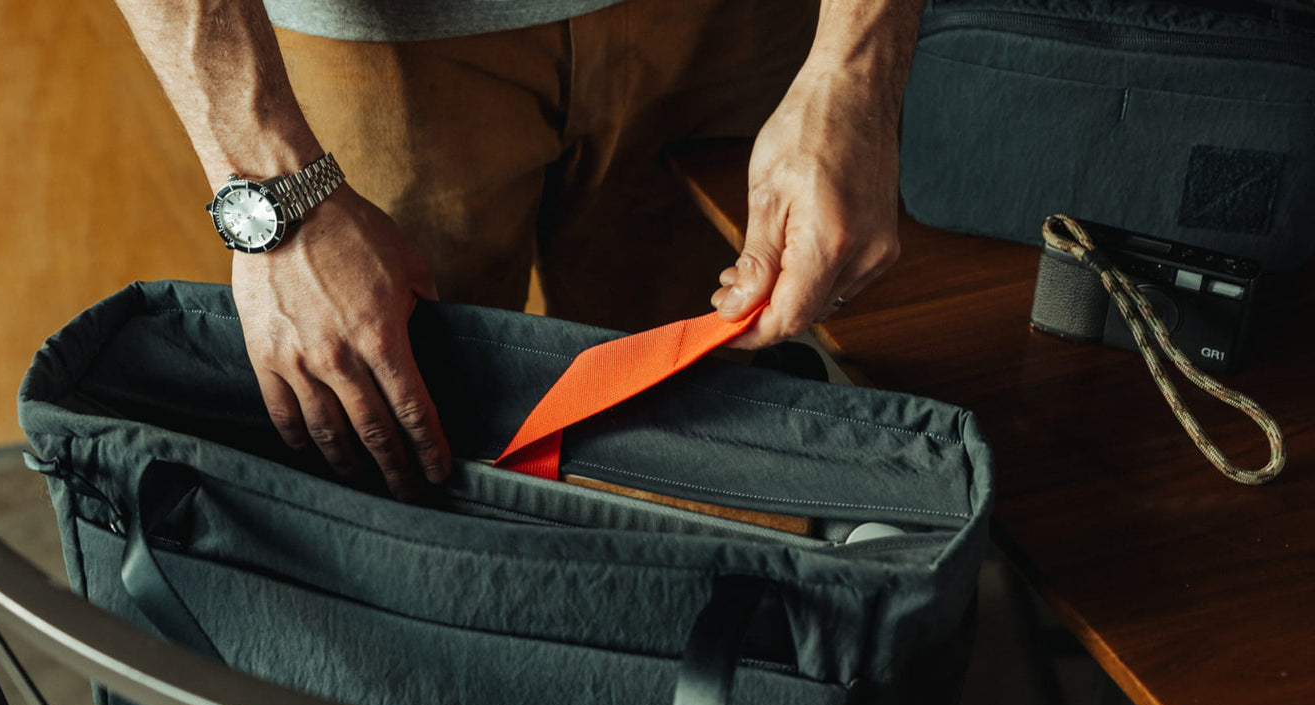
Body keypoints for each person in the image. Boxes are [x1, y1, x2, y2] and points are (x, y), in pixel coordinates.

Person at [113, 0, 920, 500]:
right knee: (400, 456)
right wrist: (274, 191)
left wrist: (857, 70)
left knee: (686, 441)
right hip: (376, 39)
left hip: (733, 26)